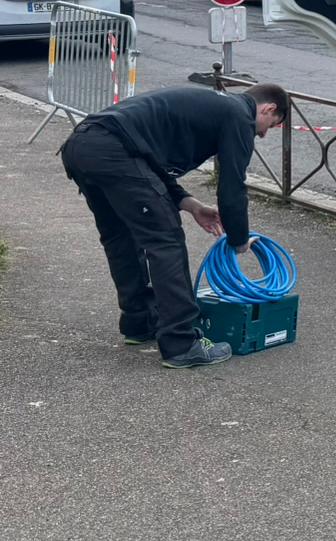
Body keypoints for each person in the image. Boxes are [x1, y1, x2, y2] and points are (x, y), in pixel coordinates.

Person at [58, 82, 287, 369]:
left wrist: (191, 204)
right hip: (115, 150)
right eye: (271, 125)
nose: (262, 133)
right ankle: (181, 343)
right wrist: (239, 240)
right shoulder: (240, 115)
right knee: (165, 240)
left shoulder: (214, 106)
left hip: (82, 145)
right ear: (268, 108)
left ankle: (140, 322)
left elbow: (149, 163)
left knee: (121, 238)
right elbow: (232, 186)